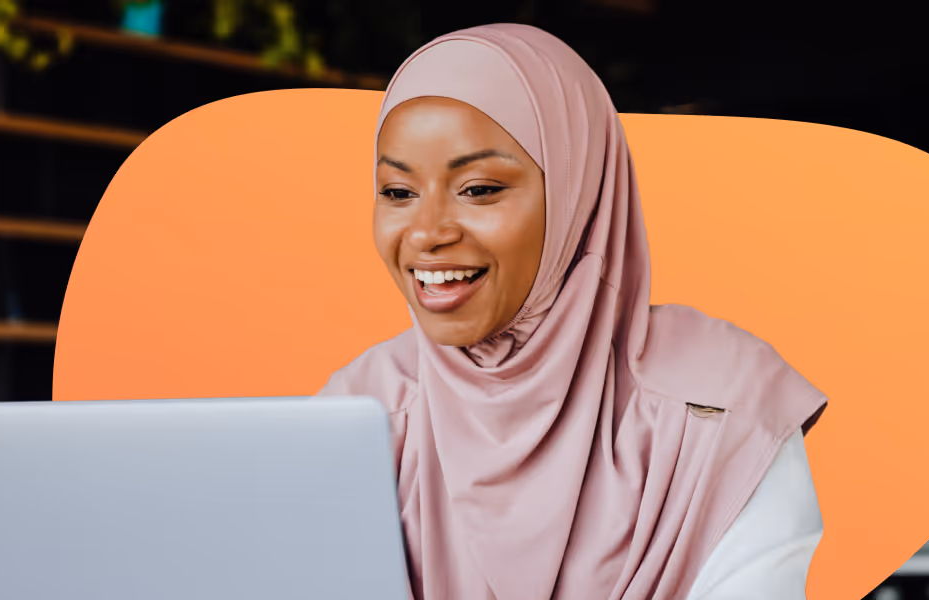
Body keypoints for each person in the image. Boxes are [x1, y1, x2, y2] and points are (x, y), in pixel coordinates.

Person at [319, 23, 828, 600]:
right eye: (397, 192)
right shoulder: (363, 411)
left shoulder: (717, 407)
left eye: (480, 189)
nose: (427, 233)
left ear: (576, 195)